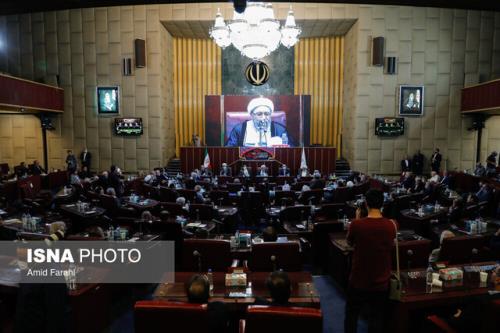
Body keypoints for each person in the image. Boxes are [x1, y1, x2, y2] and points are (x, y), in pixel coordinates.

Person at [345, 189, 396, 333]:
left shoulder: (357, 225)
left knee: (352, 315)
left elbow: (349, 243)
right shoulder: (392, 225)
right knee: (376, 317)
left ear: (366, 204)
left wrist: (356, 219)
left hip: (358, 279)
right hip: (381, 281)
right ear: (382, 204)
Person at [225, 97, 294, 147]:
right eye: (259, 114)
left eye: (266, 114)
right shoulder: (239, 129)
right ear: (252, 115)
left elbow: (290, 150)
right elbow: (229, 151)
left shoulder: (280, 130)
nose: (263, 118)